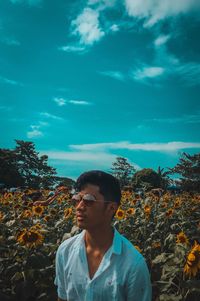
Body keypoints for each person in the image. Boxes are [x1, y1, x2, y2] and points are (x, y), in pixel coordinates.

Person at [54, 170, 152, 301]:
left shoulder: (133, 264)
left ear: (111, 208)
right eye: (77, 199)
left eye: (88, 200)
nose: (79, 207)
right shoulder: (65, 251)